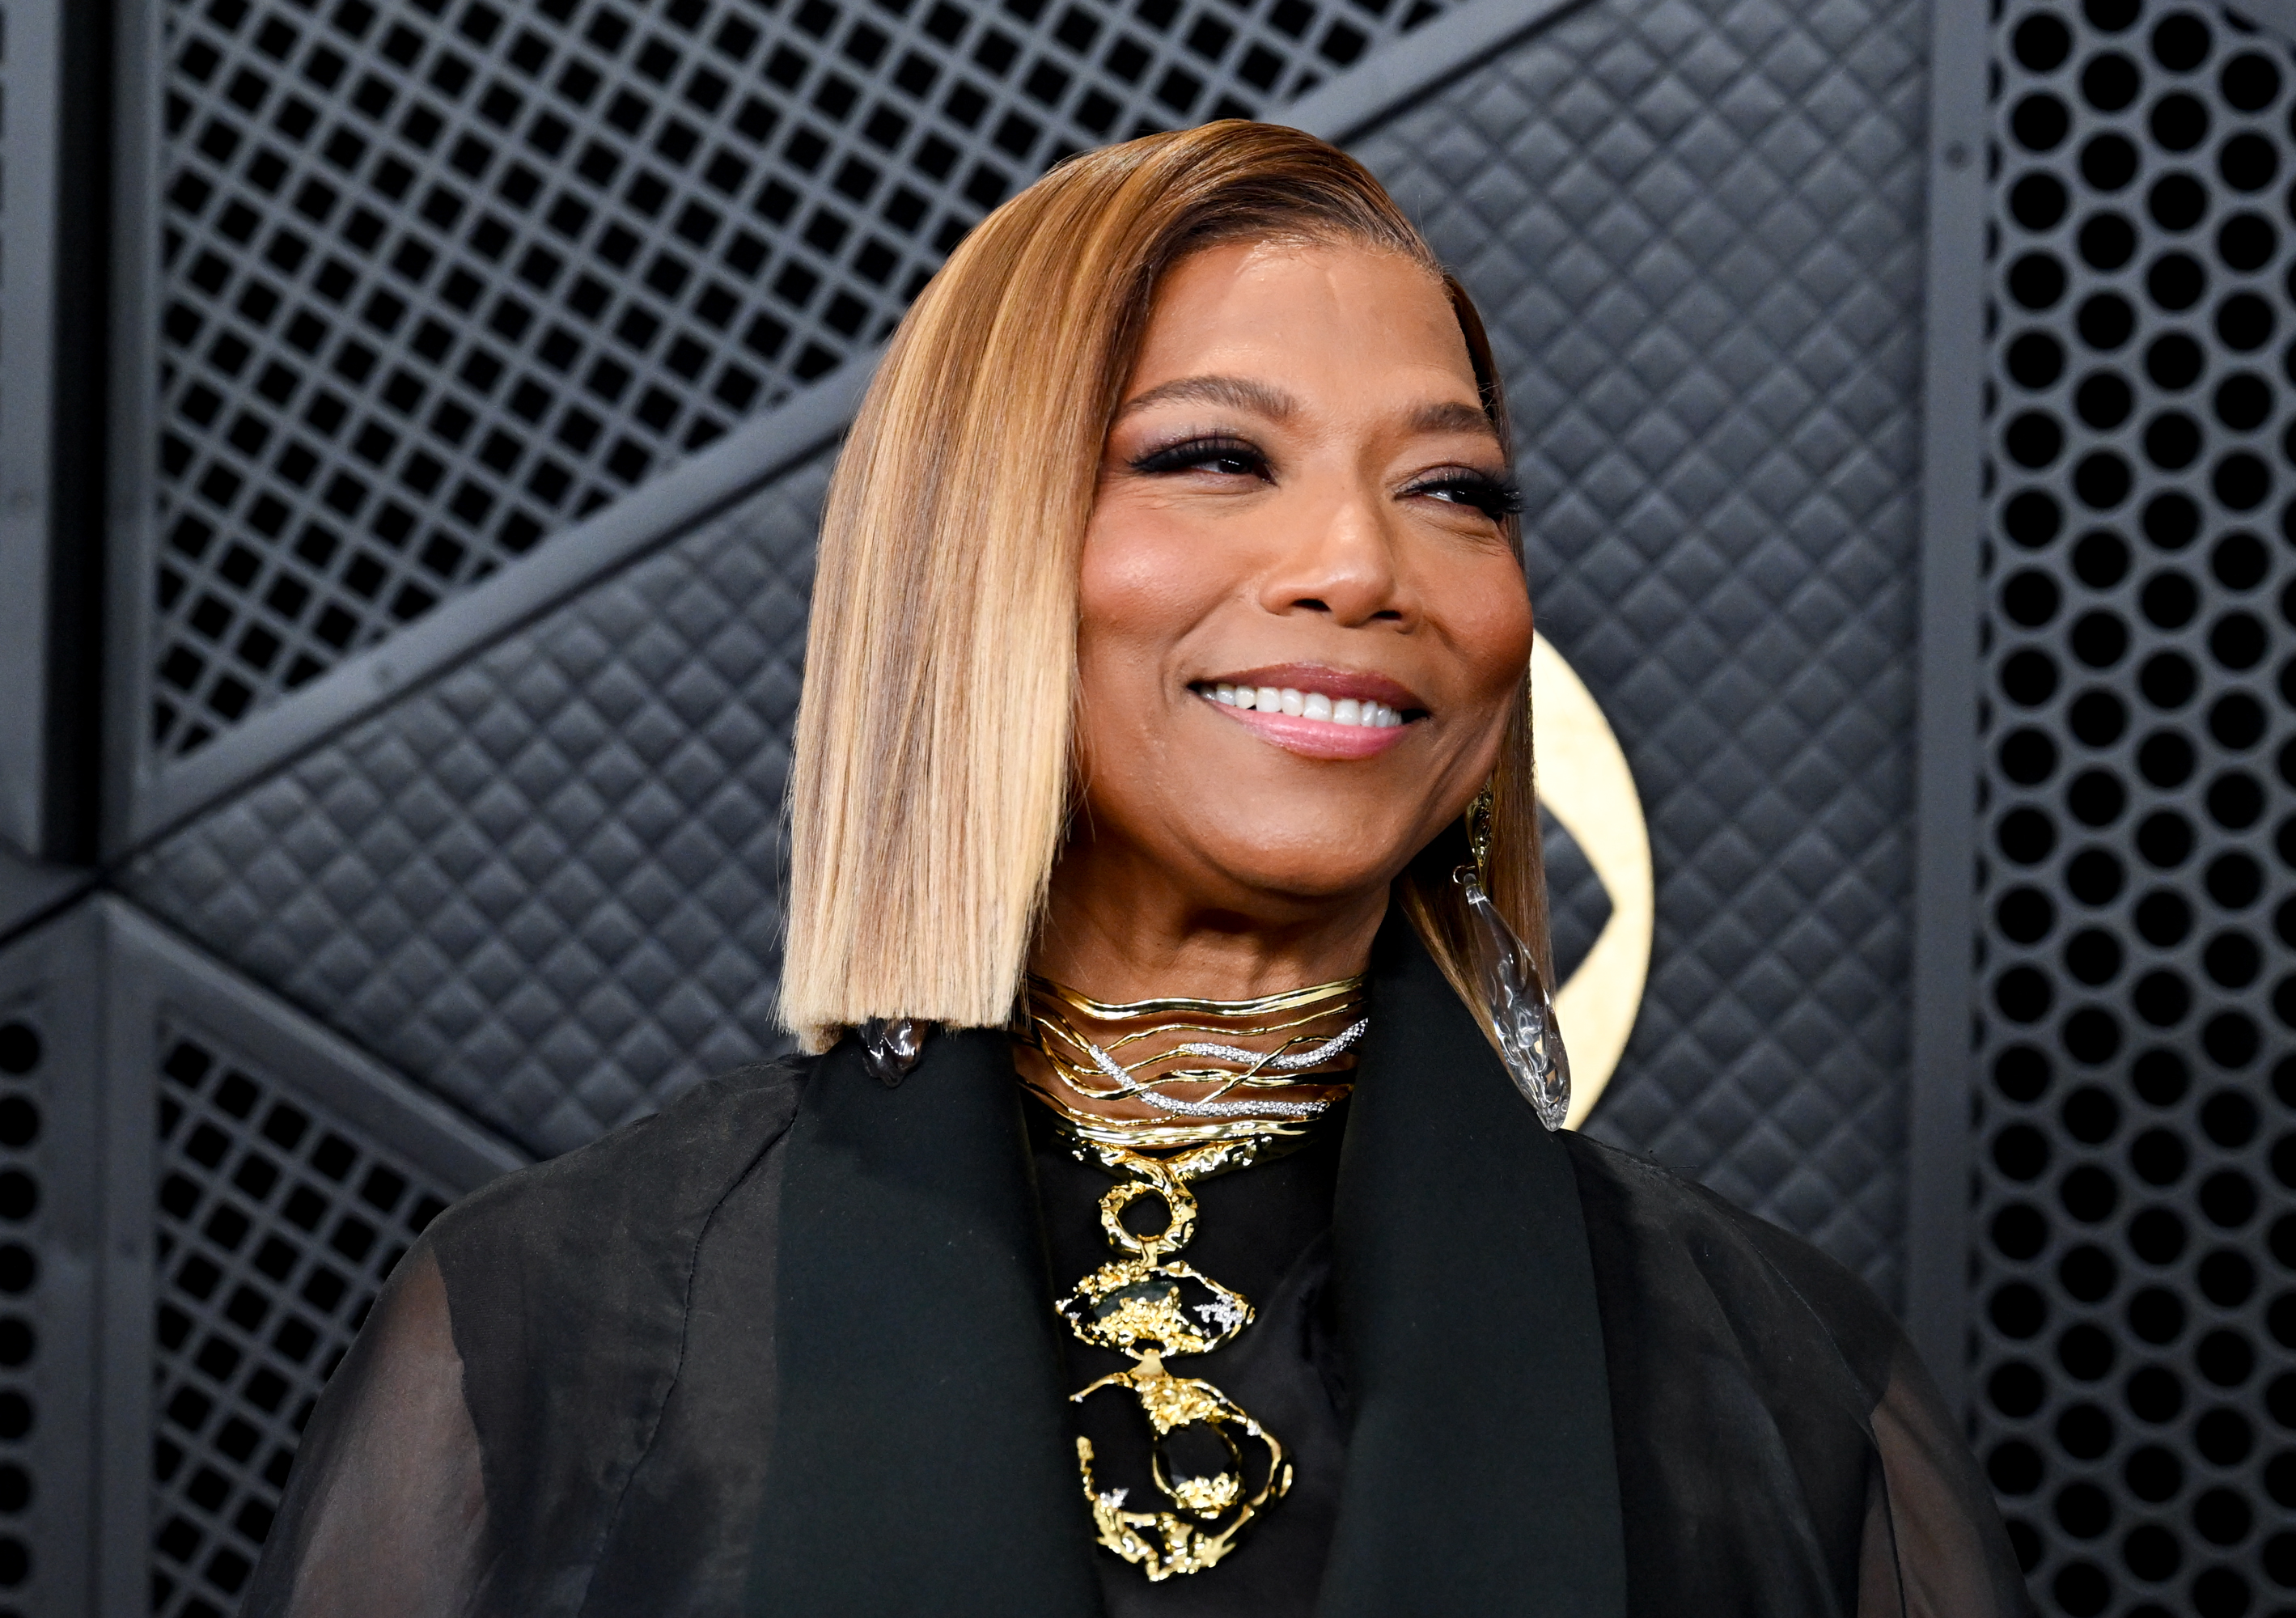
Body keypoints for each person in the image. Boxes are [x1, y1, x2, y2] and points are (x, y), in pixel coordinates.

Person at [242, 121, 2027, 1618]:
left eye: (1458, 490)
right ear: (979, 554)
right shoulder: (555, 1320)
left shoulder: (1782, 1371)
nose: (1359, 561)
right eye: (1213, 458)